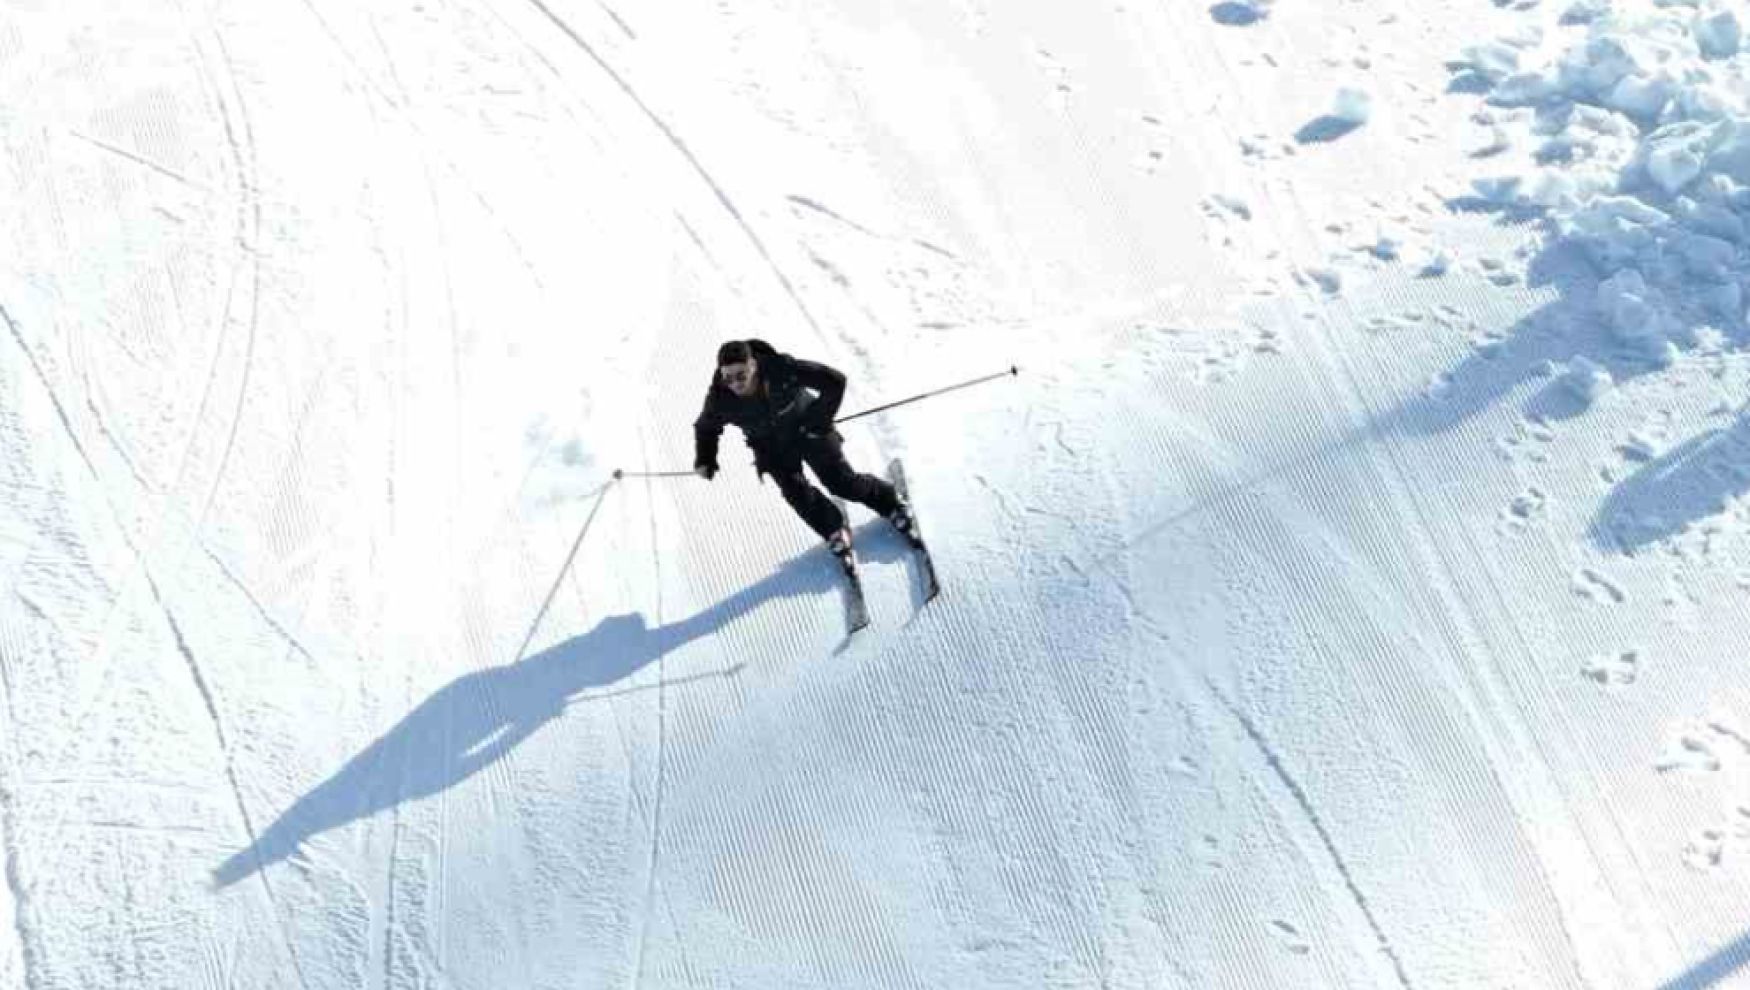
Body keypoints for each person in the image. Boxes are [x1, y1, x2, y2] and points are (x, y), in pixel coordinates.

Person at [694, 339, 917, 556]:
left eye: (741, 375)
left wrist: (818, 420)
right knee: (797, 494)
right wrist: (705, 459)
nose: (735, 384)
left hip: (809, 432)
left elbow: (835, 381)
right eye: (728, 377)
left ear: (754, 365)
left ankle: (891, 502)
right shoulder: (720, 399)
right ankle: (833, 529)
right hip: (772, 448)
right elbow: (705, 427)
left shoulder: (781, 369)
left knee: (842, 483)